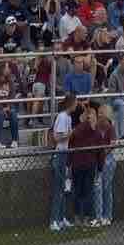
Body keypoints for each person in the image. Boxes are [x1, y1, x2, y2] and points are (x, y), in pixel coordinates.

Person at [68, 104, 103, 228]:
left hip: (78, 164)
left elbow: (71, 144)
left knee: (78, 191)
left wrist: (69, 162)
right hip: (88, 164)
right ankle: (86, 218)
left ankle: (78, 218)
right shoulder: (96, 133)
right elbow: (100, 152)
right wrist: (100, 167)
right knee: (88, 192)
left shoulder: (78, 129)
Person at [49, 94, 75, 232]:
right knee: (58, 189)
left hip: (65, 154)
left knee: (65, 188)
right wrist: (70, 134)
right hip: (59, 154)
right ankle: (54, 220)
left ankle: (62, 217)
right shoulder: (62, 117)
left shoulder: (69, 118)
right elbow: (57, 136)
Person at [91, 102, 117, 228]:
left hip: (108, 160)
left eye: (102, 113)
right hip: (97, 160)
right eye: (99, 112)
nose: (99, 115)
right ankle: (98, 216)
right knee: (97, 188)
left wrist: (103, 153)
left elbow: (112, 144)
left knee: (106, 188)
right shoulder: (95, 126)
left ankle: (108, 215)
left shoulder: (110, 127)